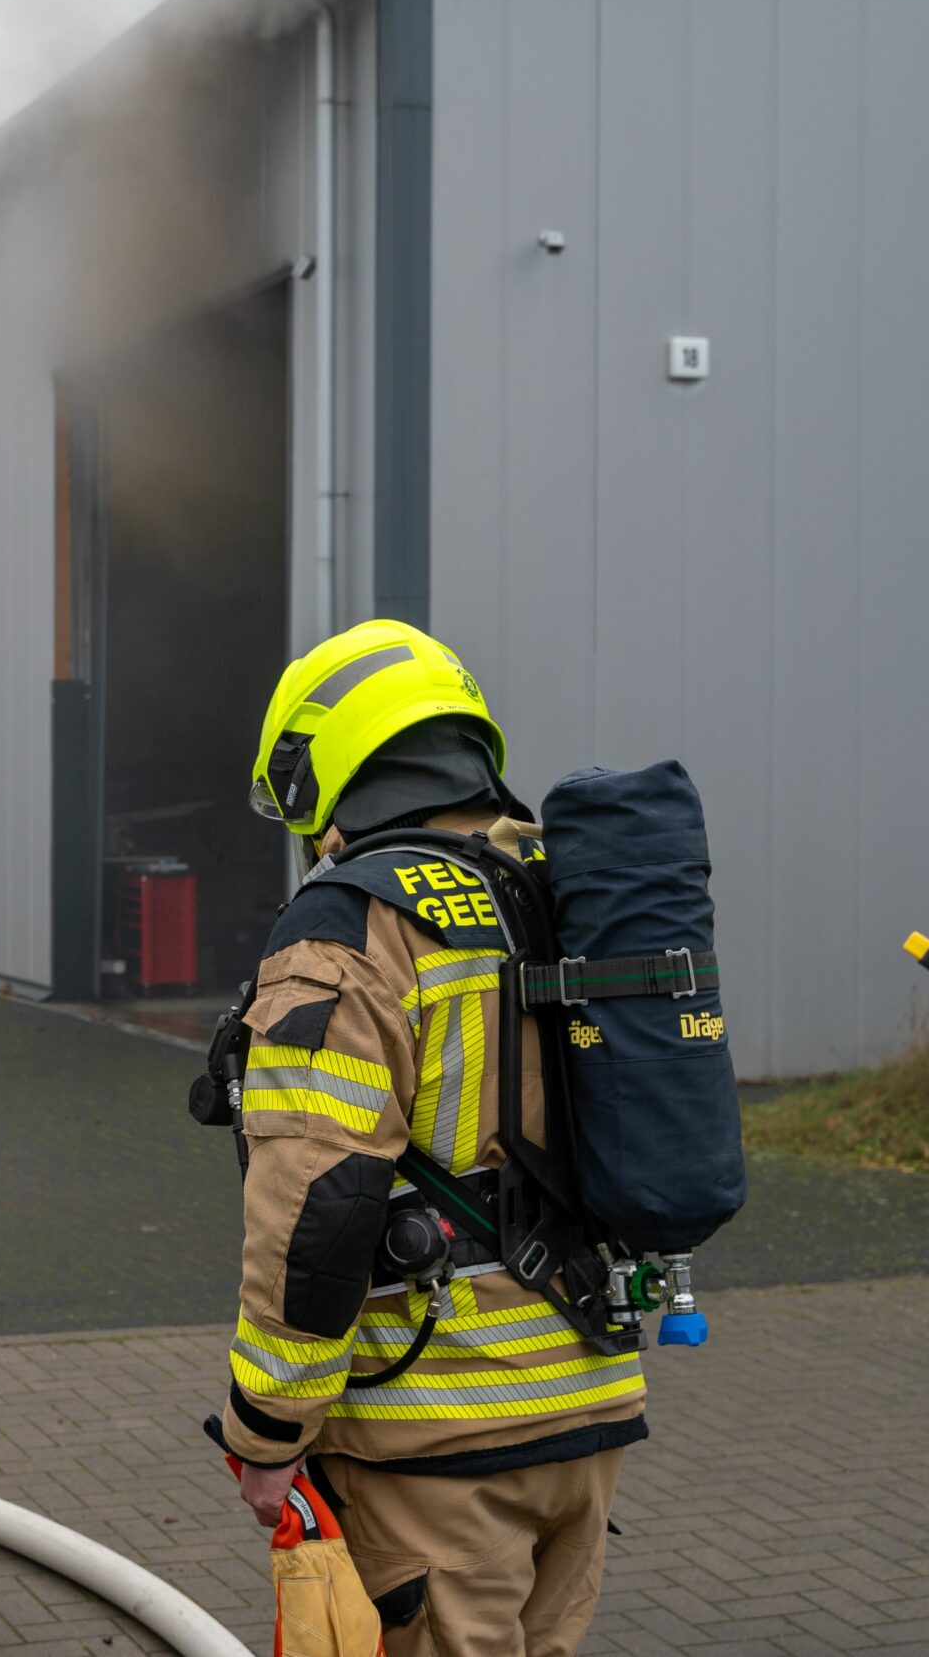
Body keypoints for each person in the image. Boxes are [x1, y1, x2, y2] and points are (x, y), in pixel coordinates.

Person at [214, 621, 645, 1656]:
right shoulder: (557, 880)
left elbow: (318, 1204)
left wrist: (266, 1429)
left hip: (438, 1433)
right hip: (586, 1402)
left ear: (333, 762)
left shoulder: (353, 923)